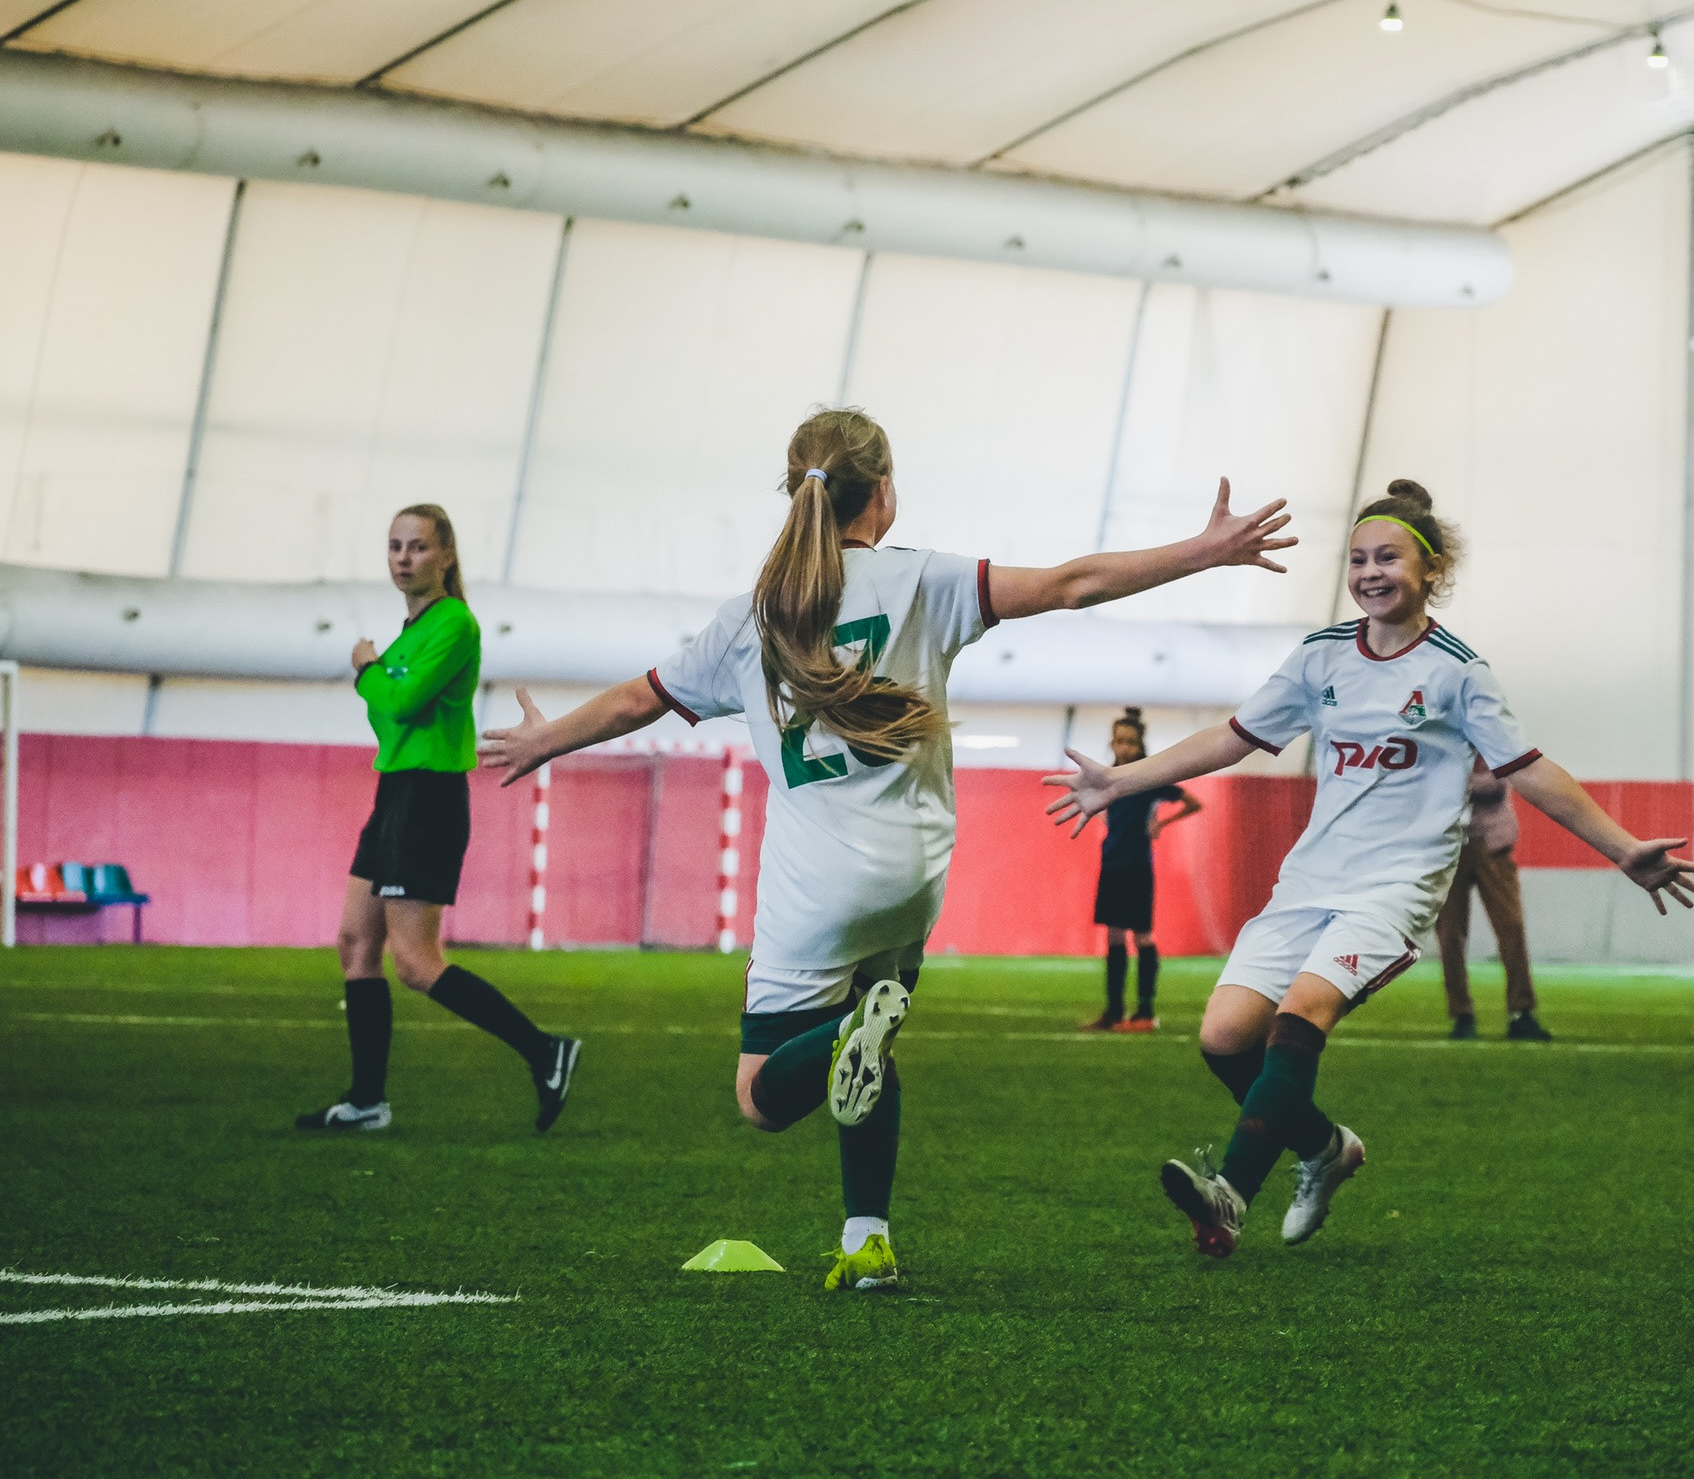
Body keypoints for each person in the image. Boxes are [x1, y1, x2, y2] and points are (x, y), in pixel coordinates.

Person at [480, 407, 1295, 1290]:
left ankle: (840, 1054)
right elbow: (1070, 583)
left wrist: (544, 740)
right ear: (884, 494)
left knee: (762, 1097)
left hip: (814, 887)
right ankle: (867, 1235)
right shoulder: (922, 583)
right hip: (915, 875)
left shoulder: (753, 618)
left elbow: (641, 701)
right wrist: (1201, 551)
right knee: (874, 1042)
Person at [1045, 479, 1694, 1259]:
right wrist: (1124, 780)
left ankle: (1229, 1195)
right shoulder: (1322, 656)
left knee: (1299, 1018)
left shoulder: (1459, 671)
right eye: (1358, 558)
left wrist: (1622, 848)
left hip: (1396, 886)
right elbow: (1232, 738)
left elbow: (1529, 769)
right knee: (1225, 1041)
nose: (1370, 572)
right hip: (1311, 879)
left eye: (1388, 557)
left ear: (1431, 571)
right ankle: (1326, 1150)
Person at [297, 504, 580, 1135]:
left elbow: (399, 701)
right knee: (355, 943)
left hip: (428, 800)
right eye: (395, 546)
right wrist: (382, 678)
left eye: (418, 547)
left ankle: (545, 1052)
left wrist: (368, 669)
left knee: (417, 961)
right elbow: (389, 713)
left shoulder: (455, 624)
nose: (404, 557)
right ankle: (367, 1100)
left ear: (445, 556)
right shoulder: (408, 634)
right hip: (394, 792)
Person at [1083, 708, 1201, 1033]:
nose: (1124, 748)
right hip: (1112, 864)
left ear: (1141, 744)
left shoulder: (1150, 777)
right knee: (1114, 935)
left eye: (1131, 742)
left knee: (1142, 935)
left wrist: (1160, 822)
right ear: (1112, 742)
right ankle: (1114, 1012)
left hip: (1137, 866)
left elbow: (1193, 802)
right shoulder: (1107, 777)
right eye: (1119, 741)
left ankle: (1146, 1012)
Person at [1436, 759, 1547, 1041]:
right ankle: (1462, 1014)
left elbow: (1493, 786)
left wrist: (1450, 785)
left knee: (1511, 926)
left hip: (1492, 844)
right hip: (1449, 847)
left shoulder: (1483, 737)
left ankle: (1521, 1012)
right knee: (1449, 935)